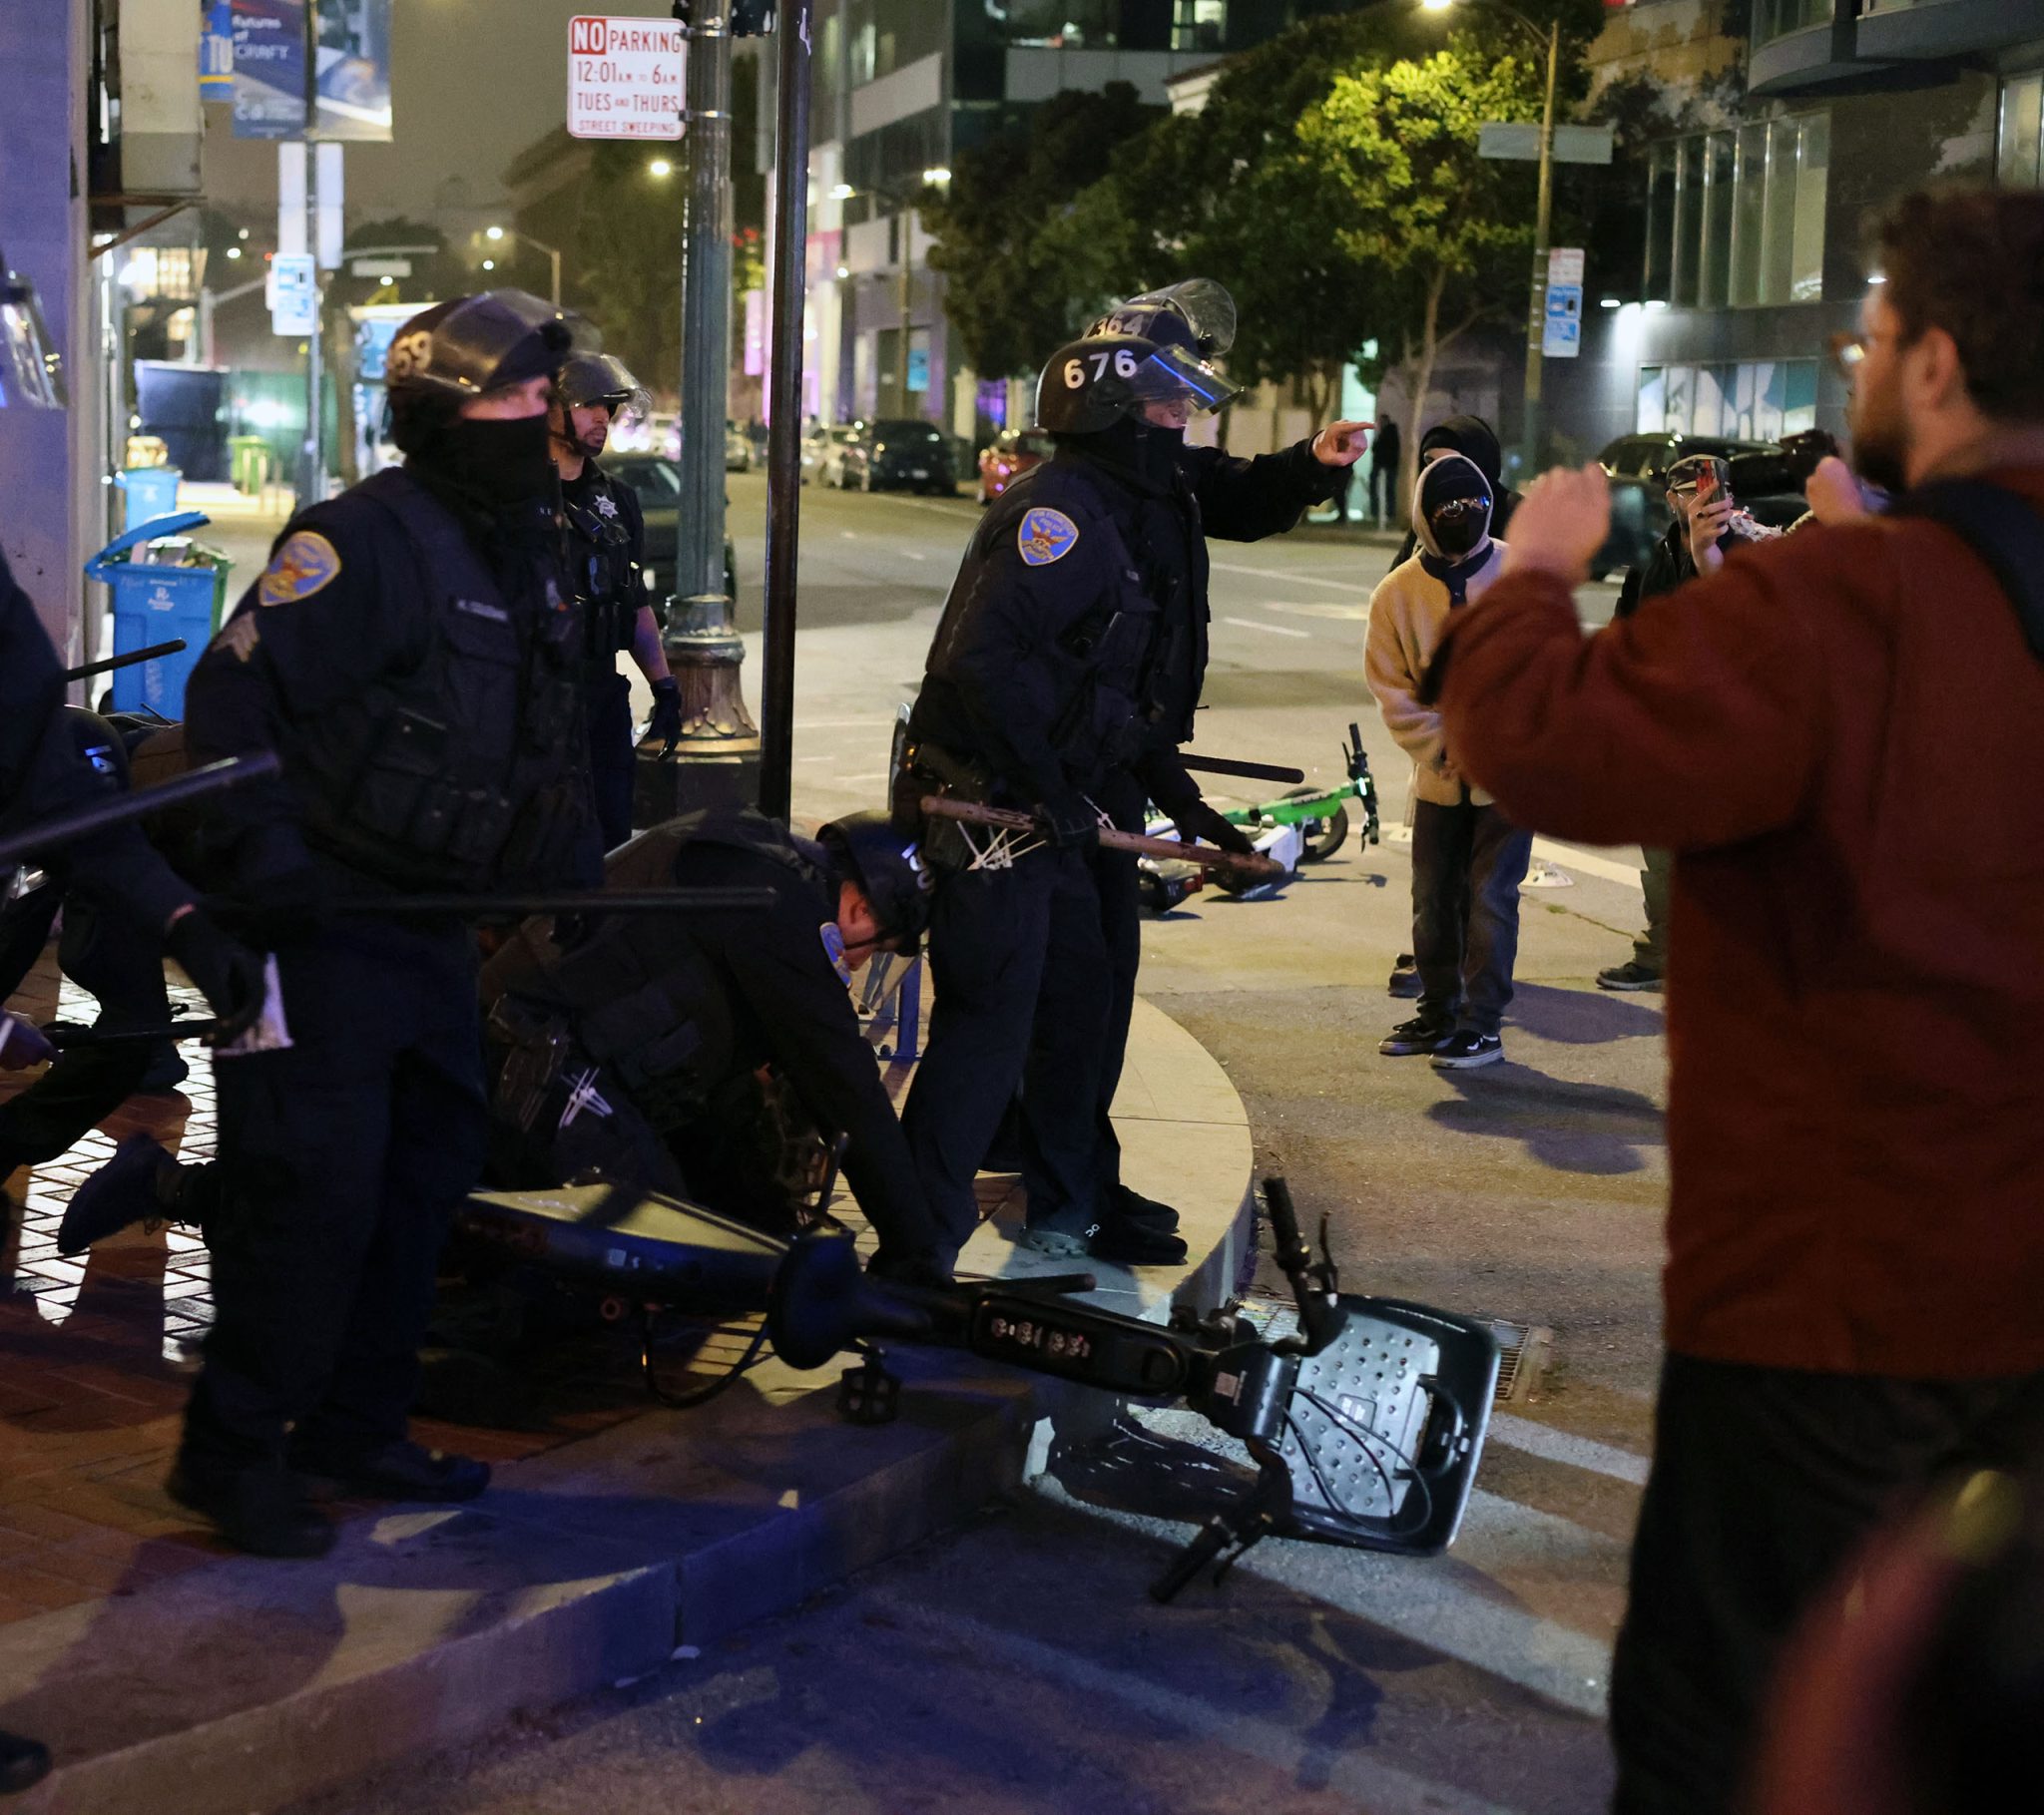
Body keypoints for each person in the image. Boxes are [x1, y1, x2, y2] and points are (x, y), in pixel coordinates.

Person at [1429, 186, 2044, 1815]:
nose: (1860, 363)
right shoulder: (1864, 586)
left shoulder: (1852, 605)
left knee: (1726, 1734)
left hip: (1828, 1311)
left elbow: (1546, 741)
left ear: (1936, 364)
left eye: (1873, 336)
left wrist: (1533, 572)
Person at [170, 289, 601, 1559]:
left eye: (544, 394)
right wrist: (266, 861)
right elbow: (228, 699)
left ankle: (356, 1427)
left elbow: (534, 739)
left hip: (427, 932)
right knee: (307, 1202)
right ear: (448, 412)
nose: (544, 414)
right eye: (519, 395)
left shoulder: (520, 547)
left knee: (419, 1192)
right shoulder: (359, 542)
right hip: (322, 930)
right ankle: (231, 1452)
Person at [897, 281, 1369, 1266]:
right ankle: (918, 1241)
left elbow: (1118, 687)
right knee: (994, 1025)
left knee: (1092, 1001)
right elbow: (978, 667)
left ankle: (1075, 1189)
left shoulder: (1141, 499)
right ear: (1116, 408)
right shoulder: (1059, 515)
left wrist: (1187, 804)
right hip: (997, 804)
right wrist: (1051, 792)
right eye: (1166, 403)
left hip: (1072, 790)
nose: (1183, 419)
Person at [68, 809, 950, 1285]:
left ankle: (181, 1186)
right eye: (873, 941)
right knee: (643, 1256)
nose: (861, 960)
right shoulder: (784, 915)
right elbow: (846, 1085)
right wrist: (916, 1250)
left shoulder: (761, 859)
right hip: (540, 1054)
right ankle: (190, 1194)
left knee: (725, 1237)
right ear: (860, 907)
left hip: (542, 1041)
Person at [0, 559, 264, 1186]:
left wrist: (185, 924)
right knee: (127, 1025)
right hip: (121, 832)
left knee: (132, 1030)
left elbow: (90, 827)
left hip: (118, 834)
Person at [1364, 450, 1529, 1069]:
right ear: (1424, 514)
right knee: (1432, 899)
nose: (1463, 514)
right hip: (1438, 779)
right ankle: (1438, 1011)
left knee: (1491, 897)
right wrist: (1440, 746)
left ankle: (1481, 1024)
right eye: (1448, 506)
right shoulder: (1396, 594)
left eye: (1475, 503)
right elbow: (1391, 687)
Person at [1597, 456, 1776, 993]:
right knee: (1661, 853)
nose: (1702, 501)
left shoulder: (1748, 549)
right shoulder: (1656, 556)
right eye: (1690, 491)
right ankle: (1662, 953)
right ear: (1672, 498)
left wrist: (1706, 556)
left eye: (1713, 490)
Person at [550, 352, 681, 848]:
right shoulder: (513, 498)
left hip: (603, 696)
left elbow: (635, 601)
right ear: (548, 409)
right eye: (588, 405)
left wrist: (665, 687)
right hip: (538, 701)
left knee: (610, 839)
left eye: (608, 407)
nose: (602, 417)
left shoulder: (618, 499)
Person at [1390, 413, 1521, 568]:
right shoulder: (1429, 517)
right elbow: (1397, 578)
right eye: (1430, 463)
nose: (1438, 473)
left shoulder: (1515, 513)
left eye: (1451, 463)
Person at [1367, 417, 1401, 528]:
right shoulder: (1384, 433)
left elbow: (1380, 449)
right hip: (1384, 465)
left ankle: (1384, 512)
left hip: (1385, 465)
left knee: (1387, 489)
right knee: (1385, 488)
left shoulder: (1388, 433)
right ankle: (1381, 512)